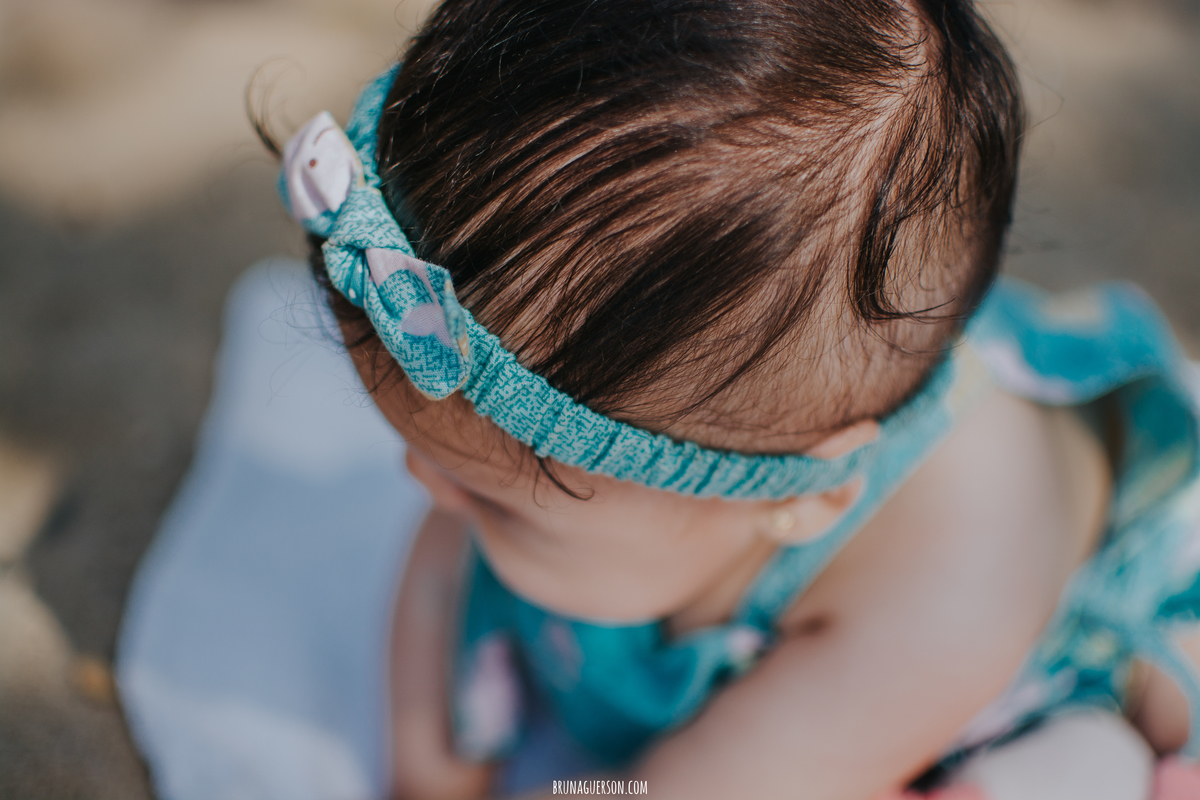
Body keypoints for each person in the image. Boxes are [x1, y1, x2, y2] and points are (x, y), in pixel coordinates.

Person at [272, 0, 1200, 797]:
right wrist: (428, 755)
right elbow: (442, 565)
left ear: (803, 494)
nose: (422, 488)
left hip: (1041, 623)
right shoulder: (560, 477)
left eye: (491, 503)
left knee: (1097, 757)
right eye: (434, 459)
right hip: (760, 405)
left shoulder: (944, 580)